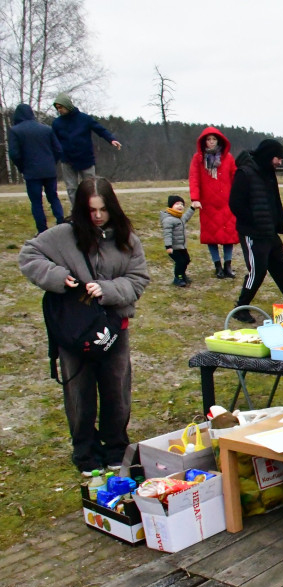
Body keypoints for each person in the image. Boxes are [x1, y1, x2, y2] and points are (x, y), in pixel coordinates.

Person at [19, 177, 150, 474]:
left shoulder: (128, 239)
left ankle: (116, 446)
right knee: (79, 391)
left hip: (114, 326)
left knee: (117, 388)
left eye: (103, 209)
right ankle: (85, 451)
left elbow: (139, 279)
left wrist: (107, 290)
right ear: (81, 209)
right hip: (73, 329)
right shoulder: (62, 235)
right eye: (92, 210)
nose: (98, 216)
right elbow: (28, 255)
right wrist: (55, 276)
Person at [230, 138, 283, 323]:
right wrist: (254, 222)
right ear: (268, 155)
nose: (280, 161)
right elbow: (235, 204)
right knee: (258, 270)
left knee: (281, 268)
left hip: (270, 232)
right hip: (253, 233)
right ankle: (241, 307)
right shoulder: (244, 173)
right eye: (277, 157)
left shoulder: (268, 172)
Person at [50, 93, 121, 205]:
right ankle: (76, 212)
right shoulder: (57, 123)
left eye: (61, 107)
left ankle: (91, 209)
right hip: (67, 160)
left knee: (91, 187)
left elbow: (100, 129)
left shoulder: (84, 119)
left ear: (68, 106)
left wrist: (111, 139)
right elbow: (53, 141)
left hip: (85, 158)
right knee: (71, 188)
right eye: (57, 108)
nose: (59, 110)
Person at [188, 127, 238, 279]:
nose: (211, 142)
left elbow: (235, 176)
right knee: (212, 237)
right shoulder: (198, 158)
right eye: (208, 139)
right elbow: (194, 178)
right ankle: (218, 266)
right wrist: (195, 199)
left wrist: (240, 195)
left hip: (227, 202)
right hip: (207, 203)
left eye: (214, 139)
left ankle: (228, 265)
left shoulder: (228, 157)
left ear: (219, 141)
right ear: (204, 141)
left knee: (229, 235)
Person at [8, 103, 64, 233]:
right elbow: (59, 150)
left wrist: (22, 167)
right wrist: (51, 162)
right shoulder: (46, 129)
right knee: (53, 197)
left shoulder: (15, 131)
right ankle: (61, 221)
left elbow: (14, 154)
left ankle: (42, 230)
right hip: (49, 170)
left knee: (36, 202)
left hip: (31, 171)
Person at [161, 195, 197, 287]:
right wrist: (168, 246)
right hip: (173, 247)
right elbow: (167, 234)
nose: (180, 206)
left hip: (182, 246)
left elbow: (186, 217)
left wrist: (192, 208)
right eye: (177, 204)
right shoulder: (168, 220)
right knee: (180, 262)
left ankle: (183, 275)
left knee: (186, 260)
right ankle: (178, 277)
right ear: (171, 206)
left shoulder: (179, 218)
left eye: (182, 204)